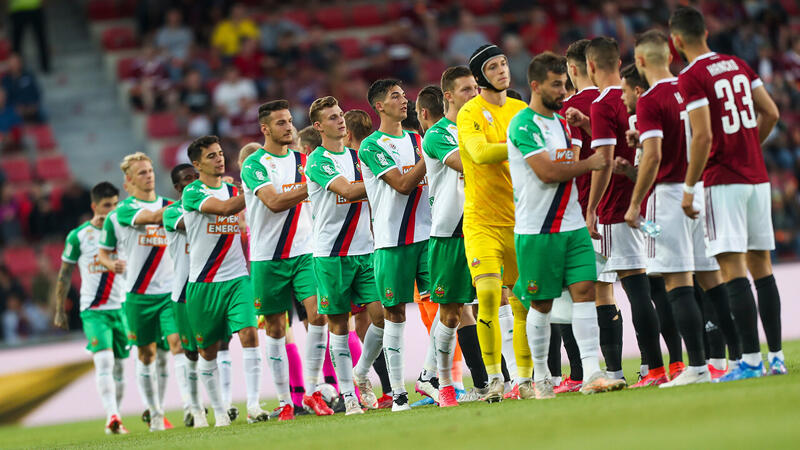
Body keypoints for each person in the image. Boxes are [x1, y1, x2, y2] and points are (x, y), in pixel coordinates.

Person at [670, 6, 785, 379]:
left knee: (732, 268)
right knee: (762, 267)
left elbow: (701, 135)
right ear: (705, 31)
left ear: (676, 41)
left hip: (723, 181)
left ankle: (750, 360)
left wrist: (689, 187)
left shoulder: (690, 76)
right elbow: (770, 113)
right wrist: (748, 145)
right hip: (757, 177)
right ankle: (777, 358)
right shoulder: (737, 64)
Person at [622, 30, 742, 386]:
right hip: (701, 191)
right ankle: (738, 358)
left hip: (670, 196)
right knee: (712, 278)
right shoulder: (691, 88)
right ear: (670, 57)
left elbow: (655, 155)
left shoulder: (648, 99)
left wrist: (634, 203)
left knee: (677, 280)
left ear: (640, 62)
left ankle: (698, 367)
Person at [507, 51, 623, 398]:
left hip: (571, 225)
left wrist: (585, 136)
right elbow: (548, 172)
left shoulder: (561, 124)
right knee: (541, 303)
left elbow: (569, 163)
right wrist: (591, 163)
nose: (563, 91)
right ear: (536, 86)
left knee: (585, 291)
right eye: (557, 86)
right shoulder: (522, 125)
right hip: (537, 229)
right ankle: (541, 376)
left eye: (564, 84)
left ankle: (592, 372)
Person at [580, 37, 666, 384]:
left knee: (626, 288)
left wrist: (591, 209)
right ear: (620, 62)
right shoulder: (637, 95)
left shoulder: (602, 103)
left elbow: (602, 162)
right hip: (648, 203)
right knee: (657, 284)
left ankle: (644, 367)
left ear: (588, 67)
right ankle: (663, 364)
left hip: (617, 207)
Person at [240, 101, 331, 419]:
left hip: (304, 253)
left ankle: (314, 389)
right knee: (276, 329)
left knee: (319, 316)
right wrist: (312, 187)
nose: (289, 127)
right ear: (265, 129)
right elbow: (275, 202)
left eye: (290, 121)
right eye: (281, 123)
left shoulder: (304, 160)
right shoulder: (254, 165)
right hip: (268, 257)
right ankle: (284, 401)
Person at [456, 44, 532, 402]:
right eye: (494, 66)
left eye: (504, 64)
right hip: (481, 222)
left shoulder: (520, 109)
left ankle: (526, 378)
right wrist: (519, 144)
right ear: (479, 75)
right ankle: (493, 378)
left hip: (518, 220)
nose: (503, 70)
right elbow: (479, 153)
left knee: (522, 302)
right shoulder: (470, 111)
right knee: (487, 294)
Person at [305, 95, 388, 414]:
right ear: (318, 126)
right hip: (331, 254)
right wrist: (386, 177)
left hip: (365, 251)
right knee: (339, 325)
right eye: (332, 117)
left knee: (381, 316)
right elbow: (349, 191)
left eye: (341, 115)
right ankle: (348, 396)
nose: (340, 120)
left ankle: (362, 371)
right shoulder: (318, 160)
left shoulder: (357, 157)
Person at [181, 136, 269, 426]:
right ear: (197, 164)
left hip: (236, 280)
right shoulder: (192, 192)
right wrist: (256, 189)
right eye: (211, 156)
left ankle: (254, 405)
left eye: (220, 154)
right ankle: (219, 410)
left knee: (249, 335)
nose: (220, 159)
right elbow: (224, 209)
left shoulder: (233, 188)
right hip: (204, 283)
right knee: (207, 349)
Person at [358, 79, 430, 411]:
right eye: (395, 96)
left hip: (429, 237)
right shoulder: (371, 146)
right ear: (379, 106)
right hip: (391, 242)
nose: (404, 100)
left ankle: (433, 377)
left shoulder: (418, 139)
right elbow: (401, 185)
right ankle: (398, 393)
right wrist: (431, 155)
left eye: (404, 94)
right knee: (393, 315)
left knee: (450, 308)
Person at [97, 153, 177, 431]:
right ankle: (154, 411)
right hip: (138, 293)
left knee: (175, 348)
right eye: (141, 172)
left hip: (170, 292)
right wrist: (111, 264)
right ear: (129, 180)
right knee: (147, 355)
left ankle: (182, 408)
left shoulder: (170, 205)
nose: (149, 176)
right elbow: (104, 253)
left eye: (150, 170)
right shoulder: (121, 213)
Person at [416, 69, 479, 407]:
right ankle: (440, 381)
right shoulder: (438, 134)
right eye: (466, 89)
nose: (473, 93)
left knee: (494, 299)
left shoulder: (478, 126)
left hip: (481, 225)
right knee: (451, 312)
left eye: (475, 87)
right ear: (449, 96)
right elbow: (467, 164)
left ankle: (499, 379)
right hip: (448, 232)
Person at [54, 182, 129, 434]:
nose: (111, 210)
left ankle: (115, 419)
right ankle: (112, 415)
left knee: (120, 368)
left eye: (115, 205)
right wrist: (59, 309)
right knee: (105, 361)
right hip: (94, 309)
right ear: (94, 206)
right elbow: (64, 274)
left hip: (122, 307)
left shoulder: (125, 230)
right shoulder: (79, 236)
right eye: (106, 206)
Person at [162, 164, 208, 426]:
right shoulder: (171, 212)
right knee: (190, 352)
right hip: (183, 290)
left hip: (210, 284)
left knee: (217, 345)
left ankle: (223, 404)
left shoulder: (211, 200)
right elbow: (192, 226)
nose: (193, 182)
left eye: (195, 177)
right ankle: (194, 407)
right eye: (187, 180)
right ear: (178, 188)